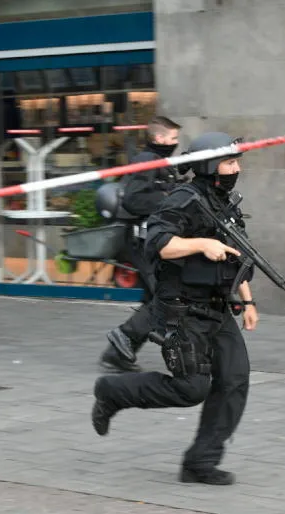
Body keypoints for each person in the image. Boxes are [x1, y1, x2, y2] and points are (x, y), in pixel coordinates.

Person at [91, 132, 259, 486]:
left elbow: (237, 255)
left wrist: (247, 300)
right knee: (191, 388)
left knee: (234, 380)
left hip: (217, 307)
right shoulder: (184, 199)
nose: (236, 169)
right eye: (229, 162)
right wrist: (202, 243)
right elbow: (159, 244)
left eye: (236, 162)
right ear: (209, 165)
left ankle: (201, 462)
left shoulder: (224, 201)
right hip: (183, 310)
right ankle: (113, 392)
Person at [98, 116, 183, 373]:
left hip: (148, 239)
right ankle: (122, 341)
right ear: (158, 138)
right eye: (173, 138)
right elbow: (134, 199)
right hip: (142, 241)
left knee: (155, 298)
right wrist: (168, 197)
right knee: (163, 297)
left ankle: (118, 353)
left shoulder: (158, 161)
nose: (175, 143)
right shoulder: (147, 161)